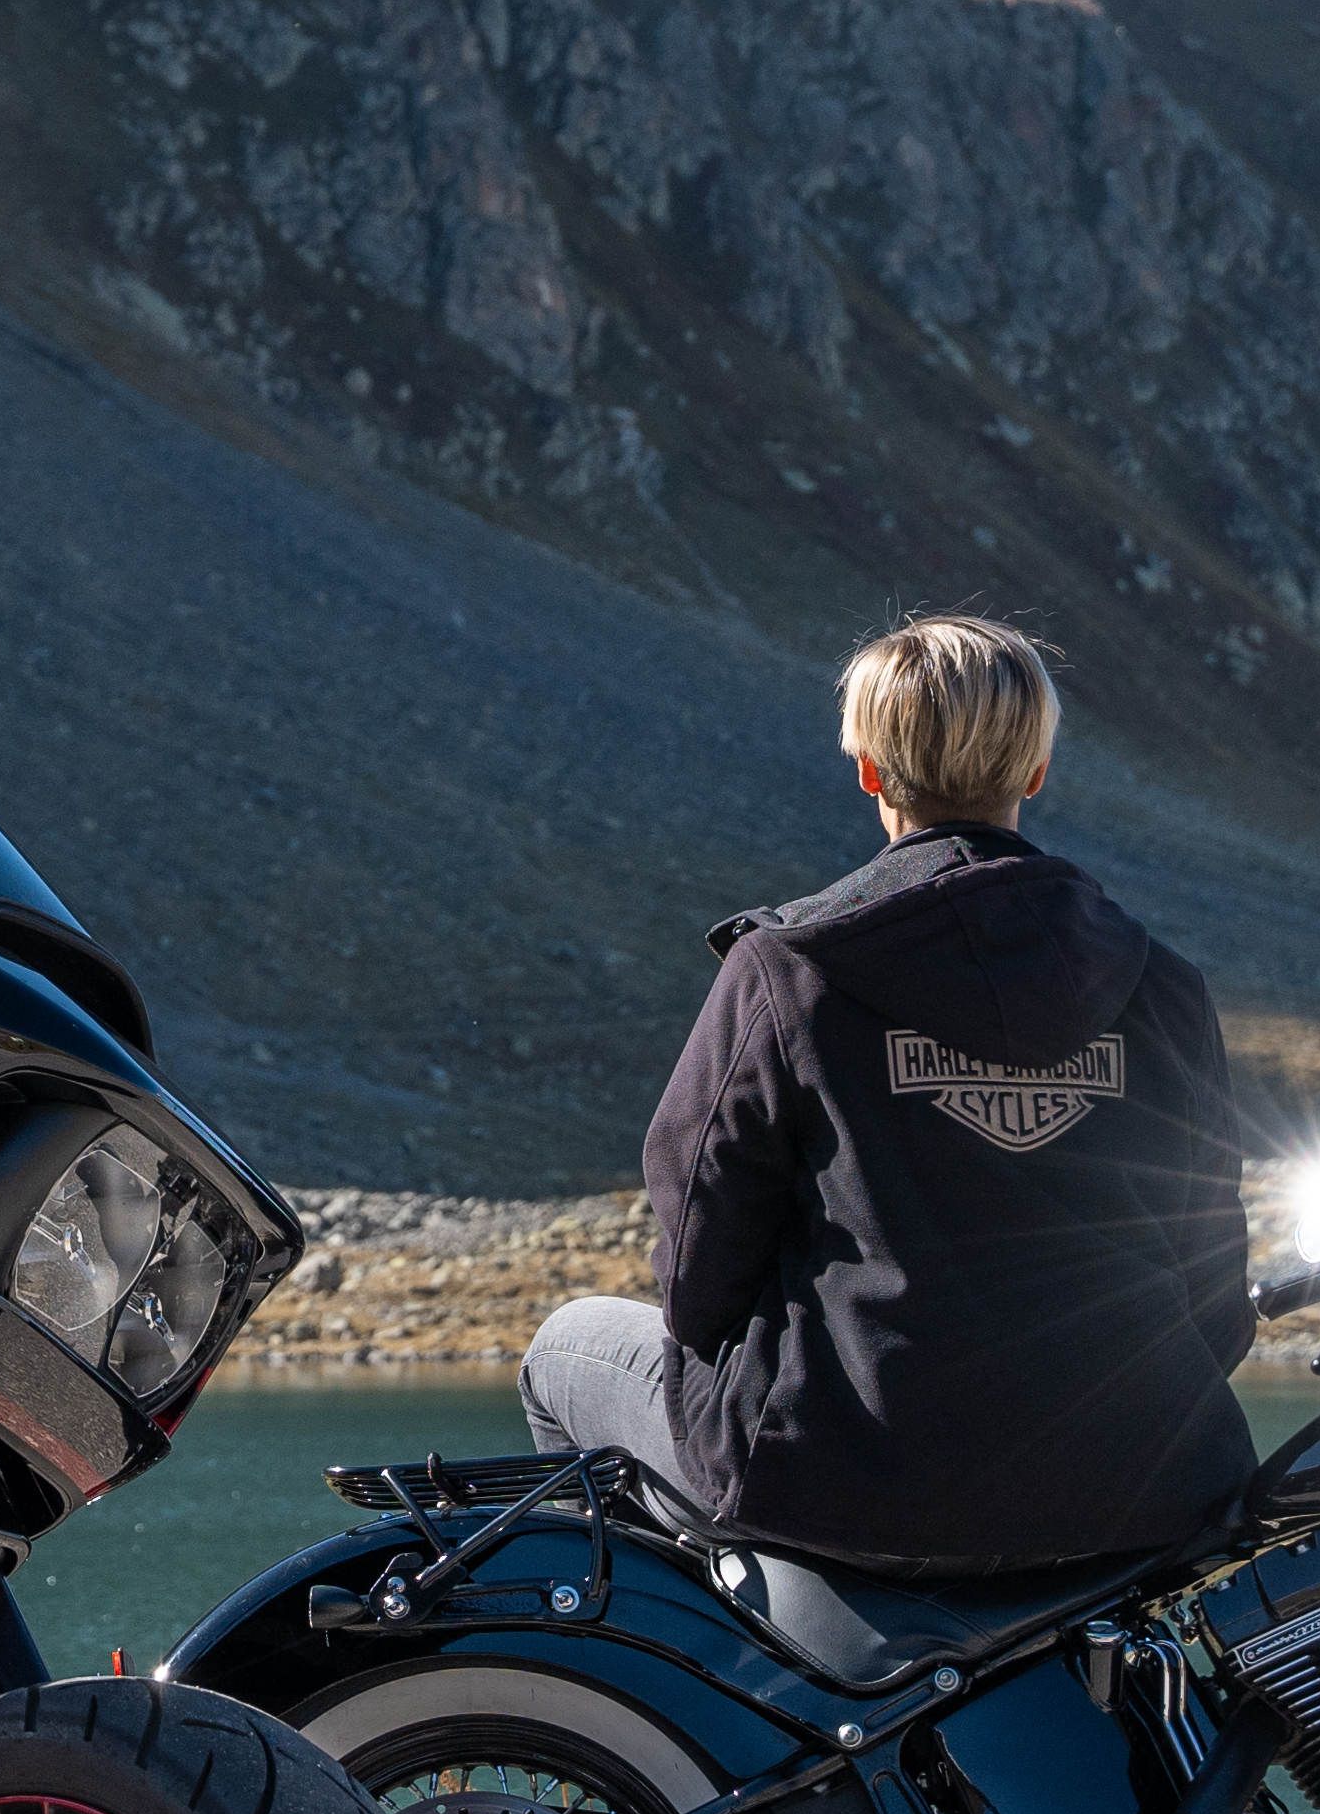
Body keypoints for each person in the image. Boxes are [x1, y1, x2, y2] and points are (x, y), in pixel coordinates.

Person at [520, 614, 1257, 1582]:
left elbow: (699, 1236)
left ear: (869, 770)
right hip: (1143, 1490)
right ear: (1034, 771)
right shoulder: (1161, 981)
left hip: (845, 1476)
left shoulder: (790, 968)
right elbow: (1215, 1274)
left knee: (565, 1347)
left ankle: (688, 1680)